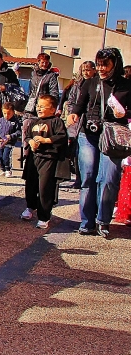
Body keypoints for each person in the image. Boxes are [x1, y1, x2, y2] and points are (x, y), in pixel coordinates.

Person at [67, 48, 131, 238]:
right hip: (89, 134)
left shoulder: (127, 85)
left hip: (112, 138)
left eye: (105, 64)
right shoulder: (90, 81)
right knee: (87, 177)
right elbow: (80, 102)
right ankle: (87, 222)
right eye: (99, 64)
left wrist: (125, 114)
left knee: (109, 179)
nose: (101, 68)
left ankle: (103, 221)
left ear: (115, 64)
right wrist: (74, 113)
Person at [19, 95, 69, 229]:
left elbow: (62, 137)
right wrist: (30, 141)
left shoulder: (56, 121)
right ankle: (30, 207)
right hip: (33, 158)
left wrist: (46, 140)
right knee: (30, 184)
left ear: (52, 109)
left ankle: (44, 216)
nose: (39, 108)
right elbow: (28, 135)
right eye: (38, 106)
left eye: (42, 106)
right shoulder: (34, 122)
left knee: (45, 187)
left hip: (48, 158)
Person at [60, 61, 97, 188]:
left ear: (94, 70)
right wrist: (72, 114)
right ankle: (78, 178)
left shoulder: (97, 84)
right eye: (83, 70)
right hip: (76, 122)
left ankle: (86, 179)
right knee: (76, 151)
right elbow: (70, 101)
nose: (86, 72)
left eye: (88, 70)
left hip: (89, 122)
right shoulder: (77, 85)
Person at [20, 53, 59, 163]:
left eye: (46, 62)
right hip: (31, 107)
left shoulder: (51, 76)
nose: (44, 64)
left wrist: (50, 105)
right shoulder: (33, 74)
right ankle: (26, 153)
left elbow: (54, 93)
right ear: (38, 62)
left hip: (44, 108)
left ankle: (40, 153)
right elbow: (30, 91)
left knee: (42, 129)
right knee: (26, 126)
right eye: (42, 62)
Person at [0, 102, 21, 177]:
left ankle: (8, 169)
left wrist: (11, 136)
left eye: (9, 114)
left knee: (6, 156)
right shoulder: (0, 120)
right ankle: (3, 169)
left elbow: (18, 131)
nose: (6, 116)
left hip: (9, 142)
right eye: (4, 113)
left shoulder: (15, 121)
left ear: (13, 112)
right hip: (0, 142)